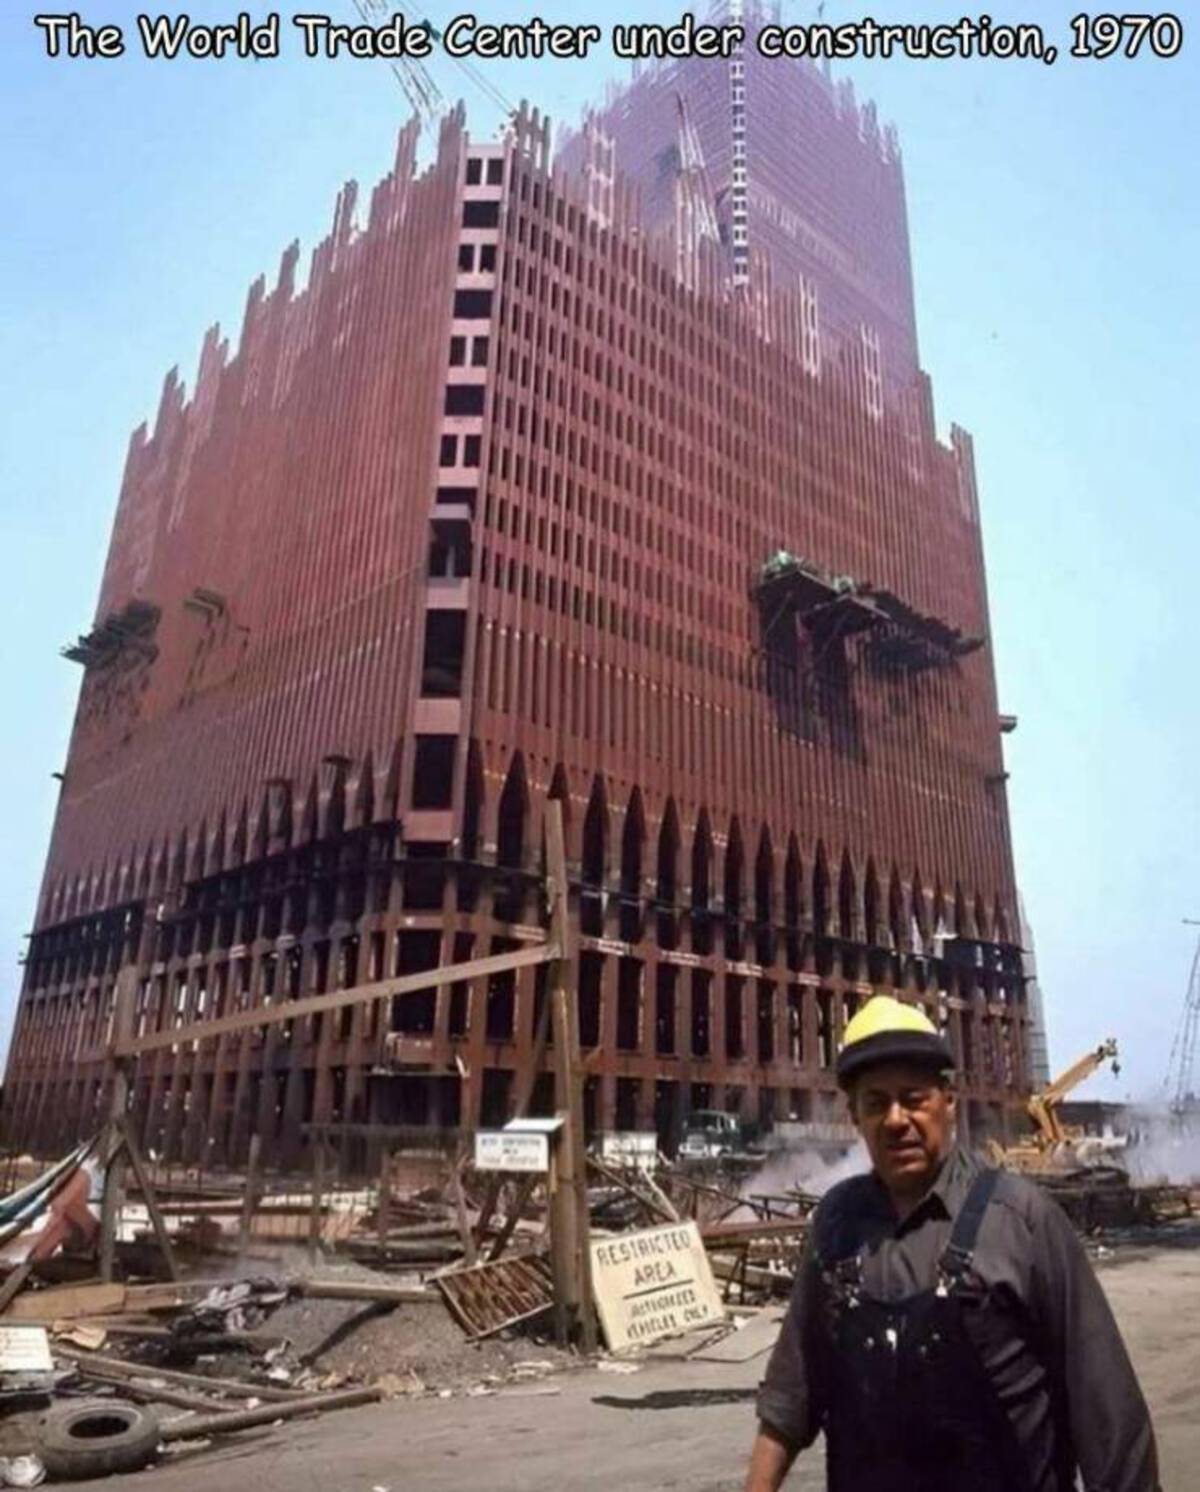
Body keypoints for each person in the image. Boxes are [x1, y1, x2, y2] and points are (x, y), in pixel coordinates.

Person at [744, 995, 1160, 1492]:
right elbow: (792, 1396)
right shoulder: (836, 1224)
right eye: (876, 1103)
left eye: (914, 1097)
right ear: (854, 1117)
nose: (896, 1119)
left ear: (948, 1103)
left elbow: (1108, 1414)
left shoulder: (1022, 1222)